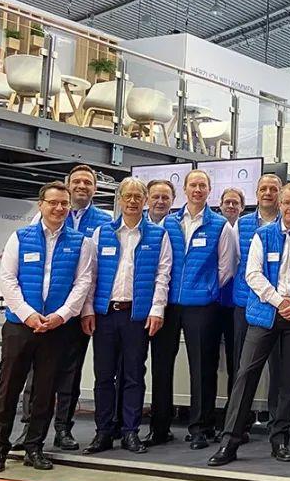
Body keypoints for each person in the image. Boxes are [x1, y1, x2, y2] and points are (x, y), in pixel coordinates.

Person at [209, 183, 290, 466]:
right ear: (280, 205)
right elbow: (252, 274)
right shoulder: (263, 235)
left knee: (289, 381)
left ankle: (280, 440)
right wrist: (279, 302)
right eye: (288, 203)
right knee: (246, 376)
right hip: (264, 315)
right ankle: (229, 442)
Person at [0, 182, 94, 474]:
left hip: (57, 328)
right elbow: (8, 279)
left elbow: (82, 283)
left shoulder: (81, 243)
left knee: (45, 391)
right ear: (41, 205)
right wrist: (28, 314)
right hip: (20, 326)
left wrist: (62, 315)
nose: (59, 208)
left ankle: (34, 446)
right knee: (9, 389)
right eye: (53, 203)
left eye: (64, 204)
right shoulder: (19, 237)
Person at [18, 164, 113, 450]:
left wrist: (86, 309)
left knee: (70, 373)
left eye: (88, 182)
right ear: (68, 185)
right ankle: (29, 428)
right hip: (42, 311)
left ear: (95, 188)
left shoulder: (104, 221)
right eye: (77, 181)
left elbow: (95, 273)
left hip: (77, 311)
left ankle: (63, 428)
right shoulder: (44, 216)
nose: (82, 186)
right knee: (36, 373)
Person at [81, 178, 172, 455]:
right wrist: (87, 309)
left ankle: (130, 431)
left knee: (134, 375)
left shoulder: (158, 235)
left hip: (137, 315)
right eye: (127, 196)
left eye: (137, 197)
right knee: (103, 376)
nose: (132, 201)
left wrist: (157, 310)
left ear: (144, 201)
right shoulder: (102, 232)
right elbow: (90, 275)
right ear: (119, 200)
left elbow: (162, 276)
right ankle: (103, 432)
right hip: (105, 314)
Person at [147, 171, 236, 450]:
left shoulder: (220, 226)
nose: (197, 189)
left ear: (209, 190)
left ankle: (201, 428)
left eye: (202, 185)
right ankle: (159, 427)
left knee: (202, 368)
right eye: (193, 185)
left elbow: (227, 268)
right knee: (161, 366)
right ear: (185, 189)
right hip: (169, 304)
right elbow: (161, 263)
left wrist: (207, 289)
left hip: (202, 307)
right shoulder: (168, 223)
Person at [231, 174, 283, 434]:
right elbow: (232, 263)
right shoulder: (241, 225)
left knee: (279, 369)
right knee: (244, 368)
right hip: (247, 305)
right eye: (263, 188)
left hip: (281, 308)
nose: (268, 193)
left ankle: (276, 424)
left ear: (280, 194)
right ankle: (238, 425)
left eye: (273, 189)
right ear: (257, 193)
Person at [213, 187, 245, 433]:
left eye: (236, 203)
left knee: (236, 361)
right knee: (211, 360)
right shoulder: (215, 227)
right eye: (227, 202)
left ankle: (233, 415)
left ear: (242, 207)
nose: (231, 206)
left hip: (237, 304)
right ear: (220, 205)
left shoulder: (245, 229)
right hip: (214, 302)